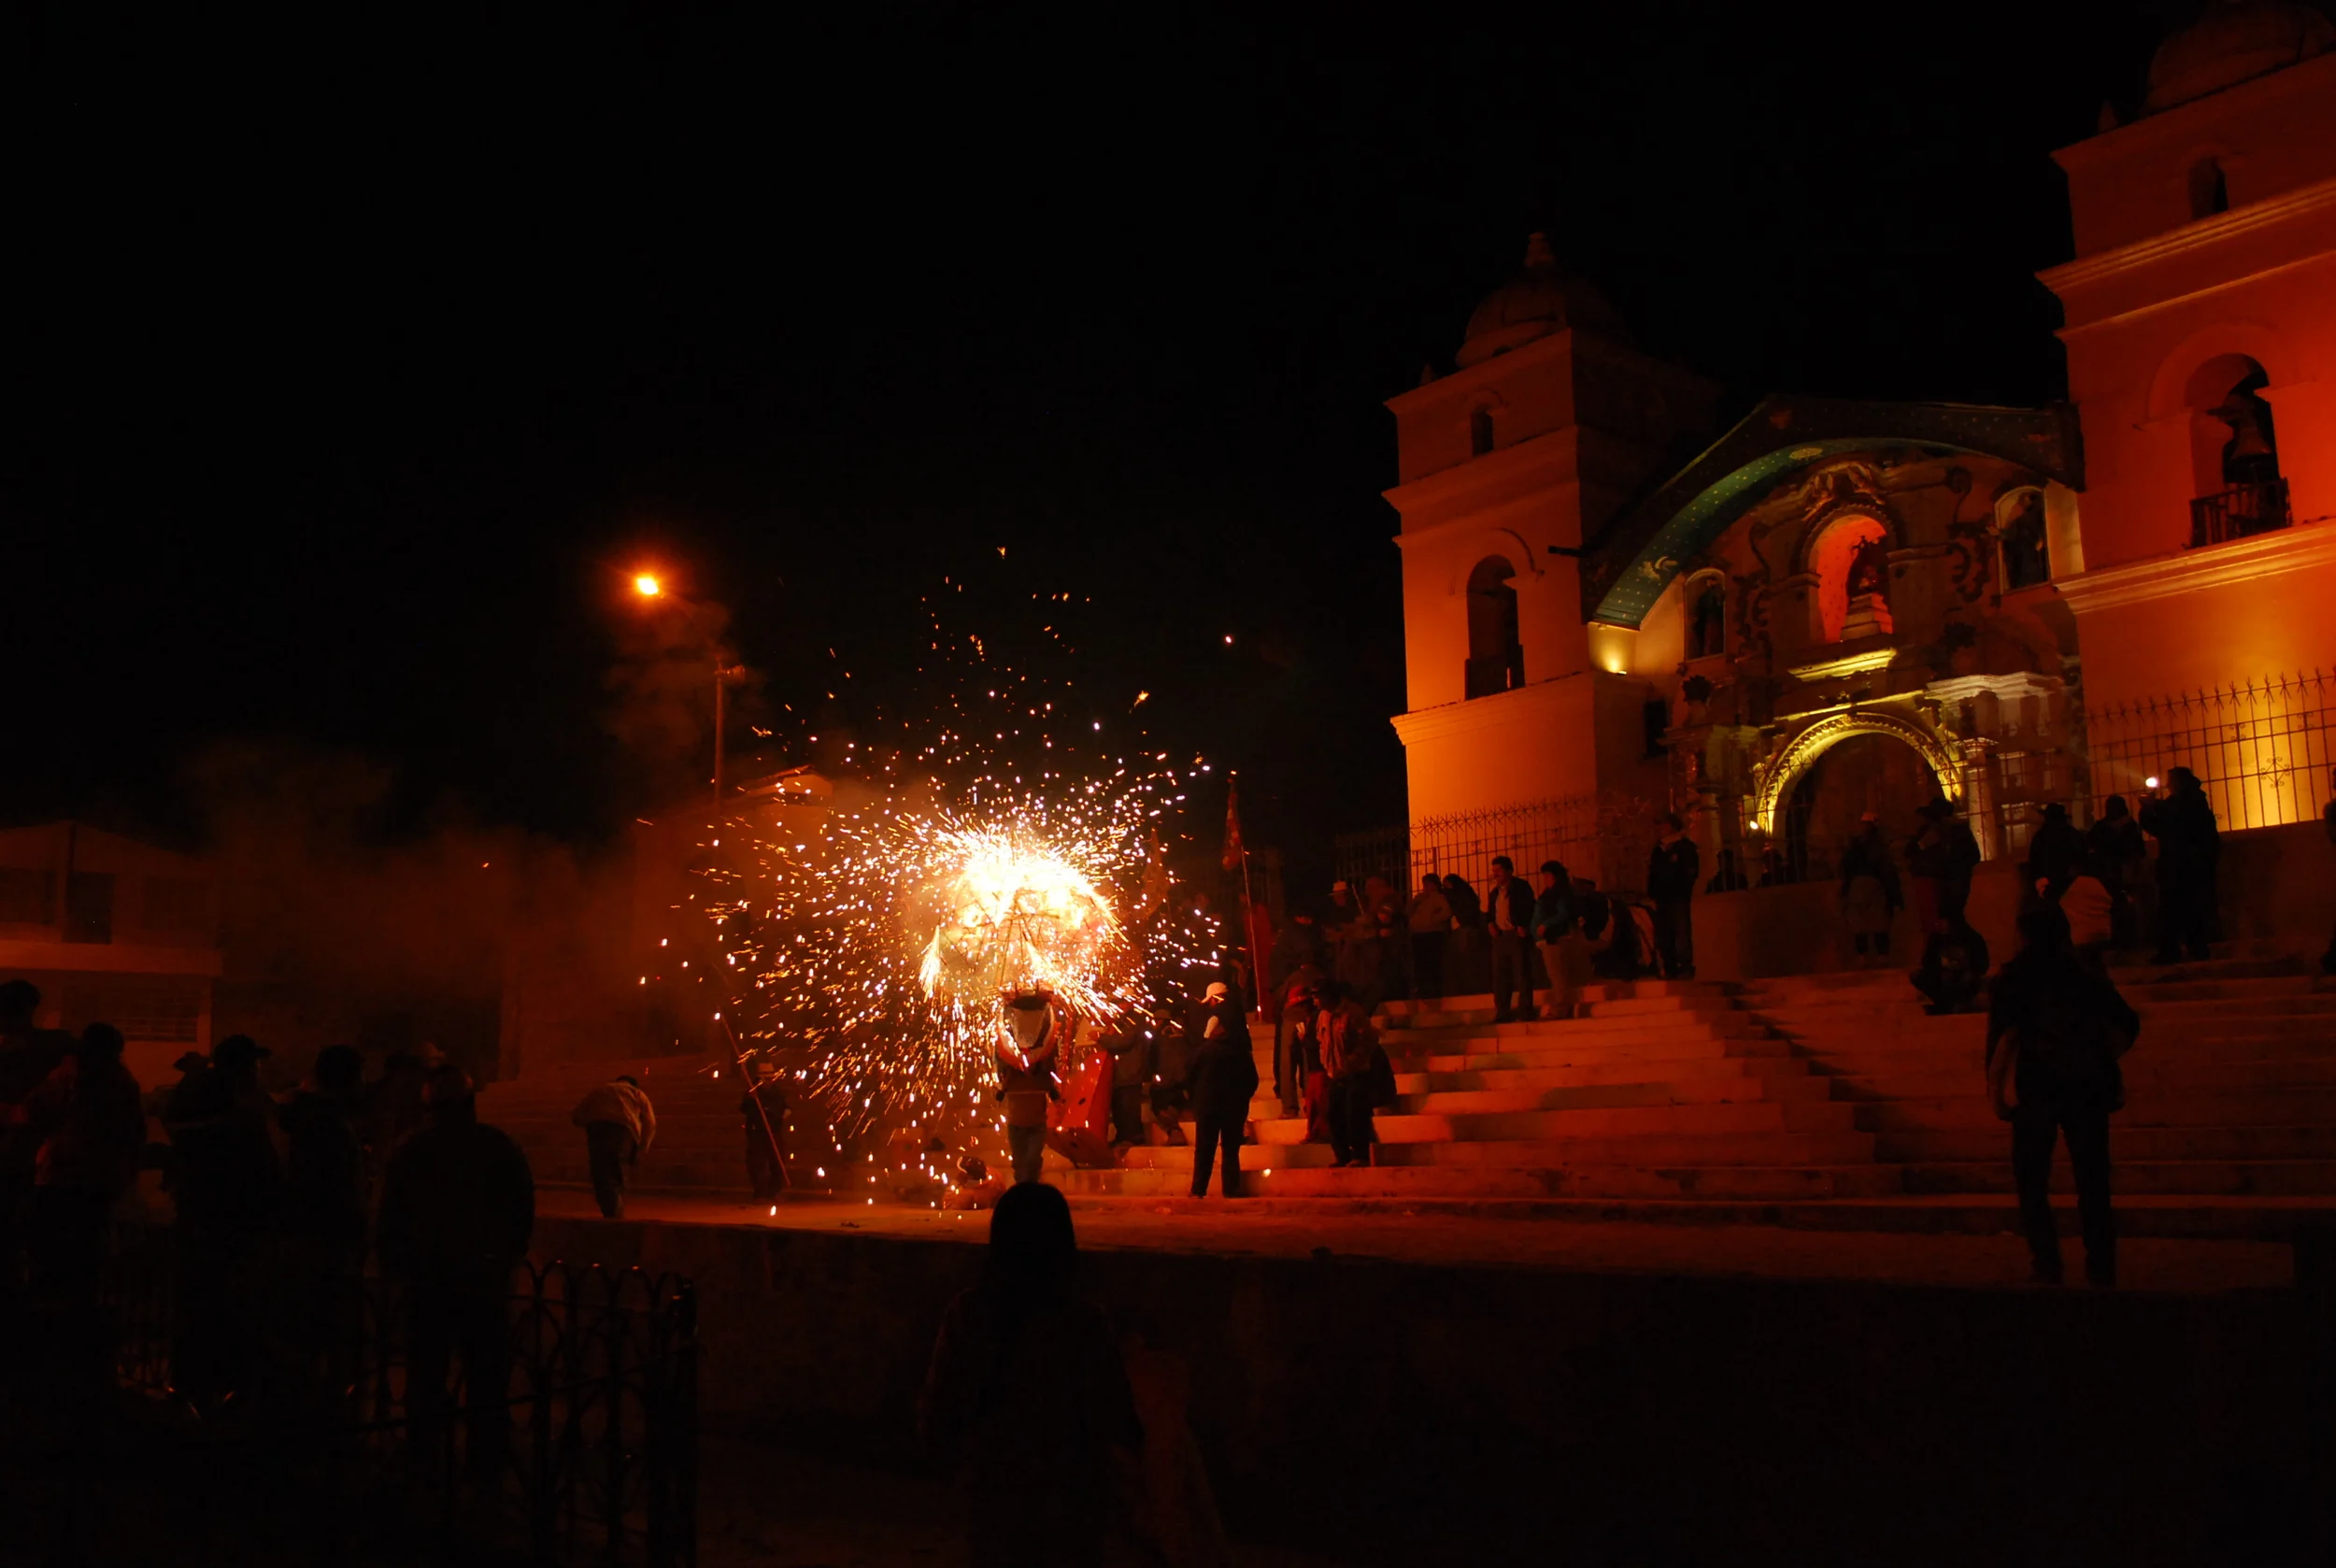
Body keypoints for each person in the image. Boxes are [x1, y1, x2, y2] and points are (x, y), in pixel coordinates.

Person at [919, 1182, 1143, 1568]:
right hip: (1068, 1503)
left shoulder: (968, 1313)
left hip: (991, 1497)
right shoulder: (1082, 1323)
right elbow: (1115, 1418)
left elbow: (937, 1413)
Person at [378, 1064, 535, 1481]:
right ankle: (486, 1461)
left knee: (426, 1371)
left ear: (430, 1106)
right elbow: (522, 1209)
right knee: (486, 1374)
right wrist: (508, 1257)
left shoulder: (411, 1149)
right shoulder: (498, 1146)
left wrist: (394, 1267)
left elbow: (392, 1215)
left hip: (429, 1278)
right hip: (484, 1277)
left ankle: (423, 1455)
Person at [1987, 904, 2139, 1287]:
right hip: (2087, 1087)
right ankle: (2100, 1263)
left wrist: (1996, 1092)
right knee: (2092, 1181)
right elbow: (2127, 1022)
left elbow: (2001, 1040)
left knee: (2032, 1181)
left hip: (2037, 1088)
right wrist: (2103, 1056)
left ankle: (2047, 1260)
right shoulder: (2084, 974)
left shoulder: (2014, 977)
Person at [164, 1033, 285, 1410]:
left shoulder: (202, 1105)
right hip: (233, 1221)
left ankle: (194, 1387)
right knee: (227, 1307)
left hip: (205, 1217)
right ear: (245, 1066)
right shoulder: (237, 1112)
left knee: (202, 1305)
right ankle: (220, 1389)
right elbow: (258, 1163)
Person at [18, 1023, 144, 1319]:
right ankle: (80, 1305)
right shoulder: (121, 1080)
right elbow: (132, 1132)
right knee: (86, 1241)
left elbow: (35, 1108)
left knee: (47, 1238)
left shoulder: (67, 1075)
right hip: (98, 1176)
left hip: (59, 1172)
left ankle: (45, 1303)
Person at [0, 980, 75, 1316]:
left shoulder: (51, 1047)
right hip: (42, 1163)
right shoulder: (56, 1047)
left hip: (30, 1161)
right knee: (40, 1239)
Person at [1184, 982, 1256, 1198]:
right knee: (1231, 1149)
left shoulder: (1204, 1052)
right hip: (1234, 1107)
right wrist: (1241, 1100)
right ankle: (1231, 1190)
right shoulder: (1240, 1051)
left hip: (1208, 1107)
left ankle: (1198, 1190)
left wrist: (1195, 1100)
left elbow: (1189, 1077)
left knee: (1204, 1149)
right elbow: (1252, 1080)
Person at [2140, 767, 2219, 963]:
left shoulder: (2193, 801)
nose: (2168, 785)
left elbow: (2182, 821)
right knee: (2173, 909)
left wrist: (2155, 806)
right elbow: (2160, 828)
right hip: (2176, 865)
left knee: (2187, 908)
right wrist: (2147, 811)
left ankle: (2191, 948)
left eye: (2171, 781)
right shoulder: (2178, 803)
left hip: (2188, 865)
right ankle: (2176, 950)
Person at [995, 991, 1064, 1184]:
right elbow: (1001, 1075)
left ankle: (1031, 1191)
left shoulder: (1044, 1062)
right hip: (1016, 1123)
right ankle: (1022, 1194)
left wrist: (1054, 1092)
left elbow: (1050, 1076)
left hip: (1036, 1123)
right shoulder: (1008, 1061)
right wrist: (1001, 1088)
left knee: (1032, 1160)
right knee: (1019, 1162)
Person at [571, 1073, 656, 1219]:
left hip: (598, 1130)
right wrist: (643, 1147)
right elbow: (650, 1123)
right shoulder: (637, 1093)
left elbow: (577, 1114)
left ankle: (610, 1210)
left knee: (600, 1173)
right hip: (623, 1132)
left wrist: (589, 1122)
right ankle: (615, 1213)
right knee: (618, 1171)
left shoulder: (600, 1090)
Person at [1318, 982, 1380, 1169]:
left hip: (1356, 1072)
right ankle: (1342, 1155)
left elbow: (1369, 1038)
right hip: (1335, 1074)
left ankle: (1360, 1155)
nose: (1315, 1001)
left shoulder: (1352, 1013)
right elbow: (1322, 1041)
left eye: (1317, 996)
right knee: (1333, 1115)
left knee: (1355, 1114)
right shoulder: (1323, 1017)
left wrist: (1354, 1059)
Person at [1837, 813, 1901, 966]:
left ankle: (1864, 957)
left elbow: (1846, 867)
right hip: (1874, 886)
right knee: (1878, 923)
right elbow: (1887, 869)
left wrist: (1844, 890)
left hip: (1859, 887)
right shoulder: (1879, 846)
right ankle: (1881, 957)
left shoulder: (1855, 847)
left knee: (1862, 924)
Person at [2087, 794, 2149, 950]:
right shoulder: (2126, 826)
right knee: (2123, 907)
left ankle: (2124, 941)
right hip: (2118, 873)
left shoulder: (2106, 826)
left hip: (2114, 873)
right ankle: (2127, 941)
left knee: (2120, 907)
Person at [1646, 814, 1701, 979]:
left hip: (1678, 897)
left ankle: (1685, 966)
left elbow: (1690, 871)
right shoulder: (1658, 849)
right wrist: (1653, 891)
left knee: (1681, 932)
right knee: (1664, 933)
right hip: (1662, 898)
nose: (1659, 829)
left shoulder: (1685, 847)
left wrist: (1682, 887)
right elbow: (1653, 872)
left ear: (1672, 826)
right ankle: (1670, 967)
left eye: (1663, 825)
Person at [1531, 860, 1585, 1021]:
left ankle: (1561, 1007)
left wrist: (1546, 925)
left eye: (1547, 876)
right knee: (1555, 973)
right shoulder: (1550, 893)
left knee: (1557, 974)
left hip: (1555, 938)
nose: (1545, 879)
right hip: (1547, 939)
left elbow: (1563, 913)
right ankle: (1560, 1004)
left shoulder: (1560, 893)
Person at [1272, 957, 1326, 1118]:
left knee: (1287, 1063)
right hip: (1310, 1019)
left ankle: (1289, 1108)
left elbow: (1279, 996)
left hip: (1289, 1019)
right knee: (1309, 1062)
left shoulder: (1293, 977)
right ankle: (1311, 1106)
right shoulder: (1321, 976)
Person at [1484, 856, 1534, 1022]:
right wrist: (1490, 923)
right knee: (1500, 976)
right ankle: (1503, 1012)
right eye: (1494, 871)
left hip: (1516, 934)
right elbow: (1490, 913)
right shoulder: (1495, 893)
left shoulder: (1521, 888)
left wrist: (1523, 925)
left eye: (1498, 870)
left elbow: (1529, 907)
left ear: (1509, 871)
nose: (1495, 874)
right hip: (1500, 937)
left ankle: (1525, 1011)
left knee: (1522, 973)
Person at [1910, 918, 1990, 1015]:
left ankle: (1959, 1003)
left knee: (1968, 982)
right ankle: (1945, 1004)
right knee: (1918, 976)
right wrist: (1939, 971)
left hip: (1963, 978)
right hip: (1943, 979)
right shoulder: (1937, 938)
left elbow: (1982, 962)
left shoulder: (1971, 937)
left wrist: (1972, 972)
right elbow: (1927, 961)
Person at [2057, 857, 2115, 978]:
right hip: (2102, 930)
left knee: (2083, 966)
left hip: (2081, 933)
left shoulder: (2072, 886)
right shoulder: (2100, 884)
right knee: (2095, 962)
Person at [743, 1059, 790, 1200]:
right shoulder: (753, 1091)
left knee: (776, 1162)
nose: (768, 1080)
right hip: (757, 1132)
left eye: (770, 1077)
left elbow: (786, 1107)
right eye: (765, 1077)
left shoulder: (777, 1091)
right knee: (756, 1162)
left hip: (774, 1131)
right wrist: (752, 1099)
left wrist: (781, 1115)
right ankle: (759, 1190)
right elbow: (744, 1109)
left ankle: (774, 1190)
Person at [1103, 1019, 1151, 1151]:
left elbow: (1122, 1042)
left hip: (1129, 1072)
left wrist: (1101, 1037)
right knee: (1119, 1106)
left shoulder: (1131, 1021)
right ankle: (1123, 1136)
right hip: (1120, 1074)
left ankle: (1134, 1138)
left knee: (1128, 1106)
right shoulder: (1121, 1023)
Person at [2024, 803, 2086, 897]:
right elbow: (2082, 856)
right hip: (2071, 884)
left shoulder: (2041, 836)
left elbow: (2034, 861)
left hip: (2049, 885)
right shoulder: (2071, 834)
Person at [1407, 874, 1452, 1003]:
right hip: (1418, 934)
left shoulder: (1438, 897)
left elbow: (1447, 911)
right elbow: (1408, 911)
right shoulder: (1420, 898)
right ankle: (1423, 990)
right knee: (1420, 965)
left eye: (1427, 884)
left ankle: (1433, 991)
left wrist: (1433, 920)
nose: (1425, 887)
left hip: (1432, 933)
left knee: (1431, 964)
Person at [1442, 873, 1488, 995]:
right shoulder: (1465, 893)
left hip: (1467, 927)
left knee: (1466, 959)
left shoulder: (1458, 896)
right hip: (1467, 927)